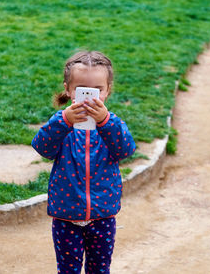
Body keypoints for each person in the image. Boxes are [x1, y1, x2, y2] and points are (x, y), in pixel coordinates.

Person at [32, 51, 136, 274]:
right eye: (82, 89)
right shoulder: (61, 123)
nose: (91, 95)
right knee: (67, 270)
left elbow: (126, 149)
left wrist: (106, 122)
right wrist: (64, 121)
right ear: (69, 90)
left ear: (108, 90)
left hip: (103, 216)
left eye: (98, 89)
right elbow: (42, 147)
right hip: (66, 217)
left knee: (99, 269)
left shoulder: (112, 125)